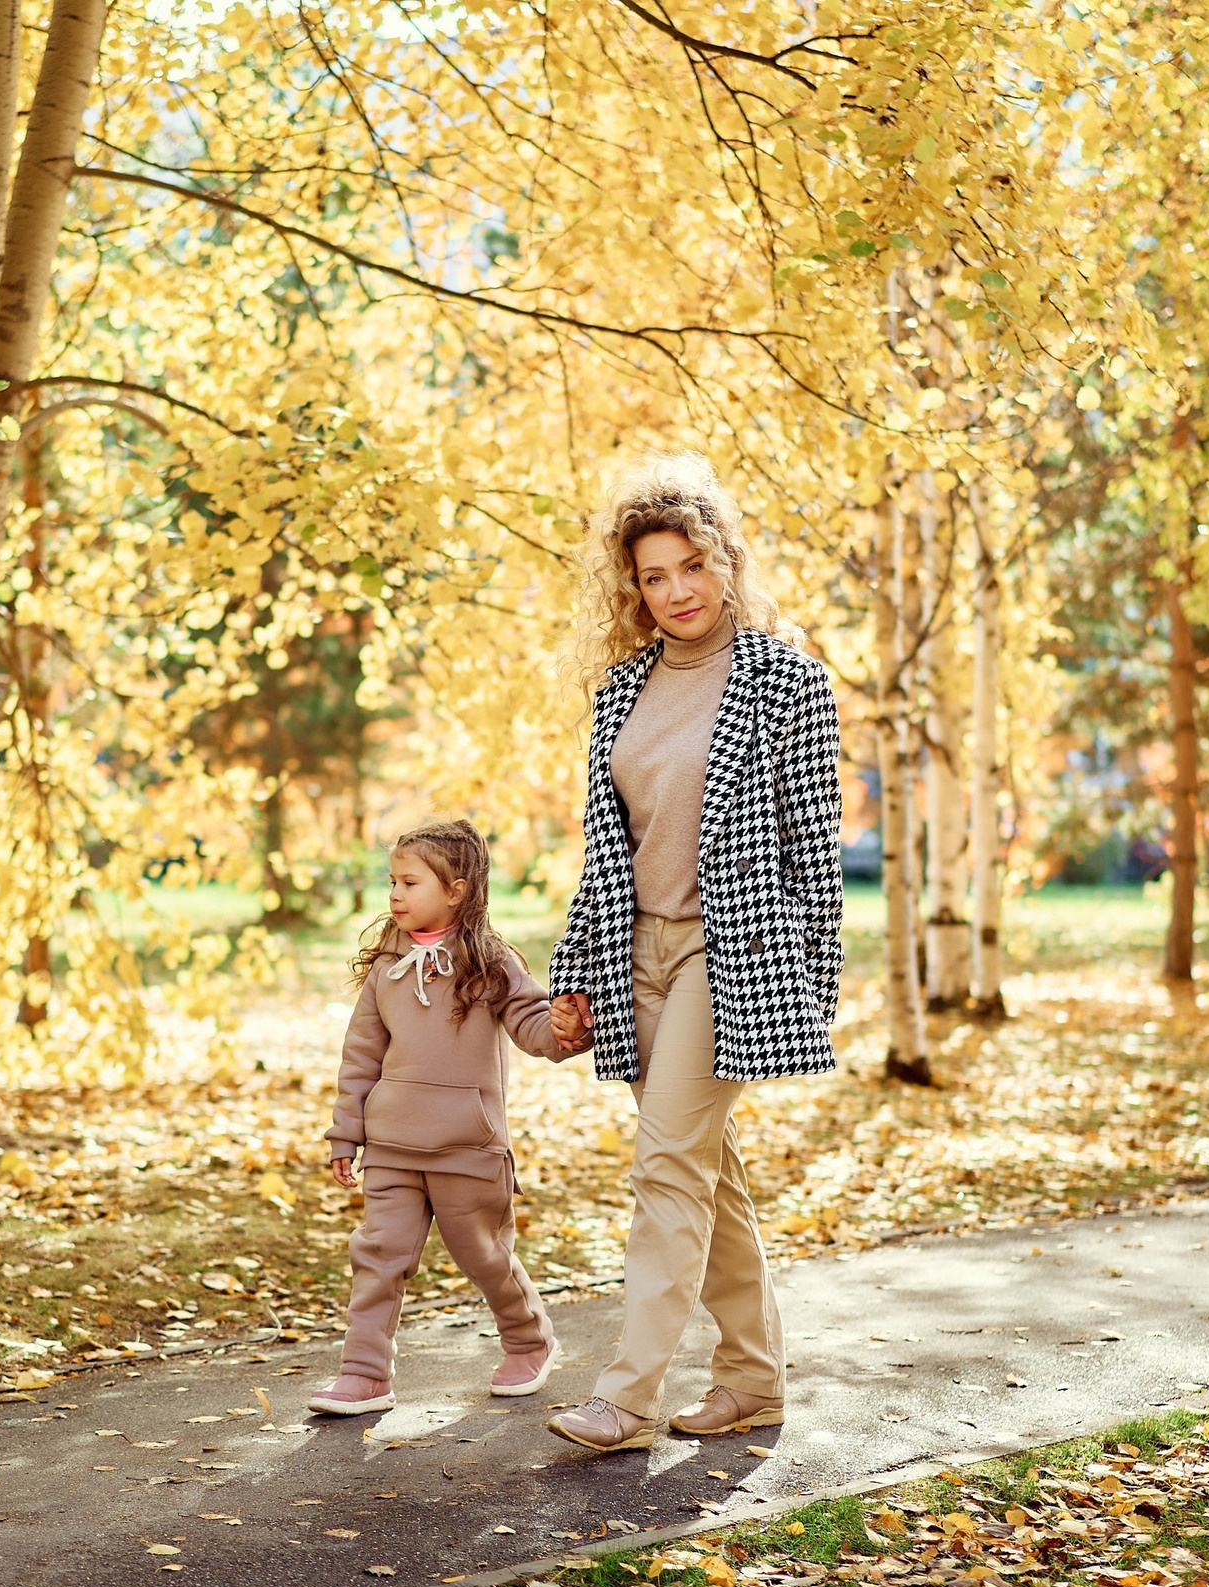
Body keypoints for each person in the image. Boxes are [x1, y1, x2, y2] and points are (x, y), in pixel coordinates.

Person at [541, 453, 844, 1452]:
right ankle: (754, 1381)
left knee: (667, 1165)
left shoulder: (787, 681)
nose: (676, 591)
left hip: (733, 954)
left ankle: (627, 1398)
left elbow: (814, 850)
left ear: (725, 561)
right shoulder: (620, 692)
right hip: (638, 956)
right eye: (653, 576)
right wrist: (576, 976)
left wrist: (812, 988)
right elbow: (606, 851)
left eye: (691, 566)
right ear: (633, 589)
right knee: (706, 1174)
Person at [307, 820, 585, 1416]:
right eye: (392, 882)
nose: (395, 894)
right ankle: (364, 1374)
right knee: (378, 1256)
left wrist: (566, 1031)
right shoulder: (387, 967)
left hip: (467, 1146)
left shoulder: (492, 962)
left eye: (409, 883)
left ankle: (529, 1341)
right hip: (392, 1145)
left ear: (456, 891)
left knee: (484, 1255)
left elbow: (533, 1025)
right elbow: (361, 1056)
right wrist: (345, 1133)